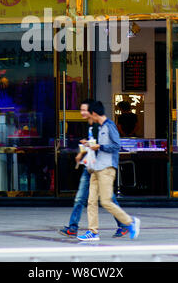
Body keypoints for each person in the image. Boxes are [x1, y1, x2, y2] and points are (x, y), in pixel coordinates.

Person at [59, 99, 124, 238]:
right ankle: (76, 227)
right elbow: (92, 144)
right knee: (87, 199)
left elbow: (103, 145)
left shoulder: (100, 125)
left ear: (92, 112)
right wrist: (81, 152)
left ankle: (125, 224)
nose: (82, 112)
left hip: (99, 167)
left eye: (84, 110)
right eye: (81, 109)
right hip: (90, 166)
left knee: (105, 200)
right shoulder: (91, 125)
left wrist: (89, 148)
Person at [77, 101, 140, 241]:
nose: (88, 117)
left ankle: (130, 222)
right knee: (91, 201)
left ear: (94, 113)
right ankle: (93, 232)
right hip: (95, 168)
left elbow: (116, 145)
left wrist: (100, 147)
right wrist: (88, 145)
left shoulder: (110, 126)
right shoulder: (98, 128)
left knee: (106, 201)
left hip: (106, 169)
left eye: (89, 114)